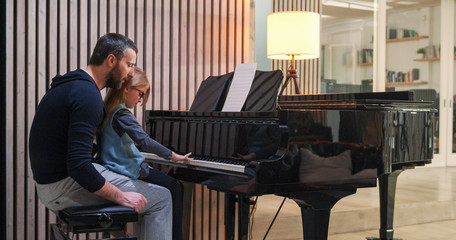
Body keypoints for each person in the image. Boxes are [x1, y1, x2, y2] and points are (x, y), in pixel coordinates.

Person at [29, 33, 172, 239]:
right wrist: (122, 196)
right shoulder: (88, 97)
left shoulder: (73, 85)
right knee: (162, 198)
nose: (131, 74)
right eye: (129, 65)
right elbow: (79, 166)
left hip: (49, 182)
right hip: (61, 185)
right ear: (111, 60)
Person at [99, 67, 192, 240]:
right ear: (127, 88)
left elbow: (124, 147)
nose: (140, 100)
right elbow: (145, 141)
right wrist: (173, 156)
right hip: (127, 170)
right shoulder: (122, 114)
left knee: (166, 182)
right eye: (140, 93)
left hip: (114, 167)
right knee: (174, 187)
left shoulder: (108, 110)